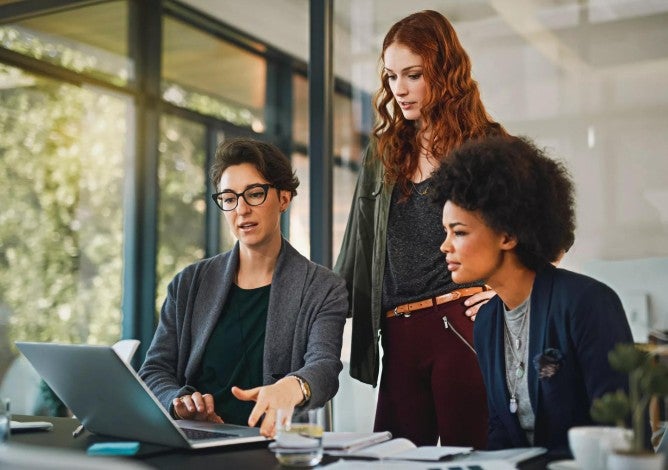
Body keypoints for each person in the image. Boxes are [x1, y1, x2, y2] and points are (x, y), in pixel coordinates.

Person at [335, 10, 506, 447]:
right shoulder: (383, 154)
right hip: (395, 334)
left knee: (468, 458)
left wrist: (504, 289)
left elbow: (551, 231)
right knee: (390, 458)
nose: (400, 90)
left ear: (444, 71)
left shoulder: (485, 144)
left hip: (460, 326)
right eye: (392, 77)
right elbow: (354, 254)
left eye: (413, 75)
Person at [432, 135, 633, 454]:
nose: (445, 246)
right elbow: (500, 429)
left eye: (459, 232)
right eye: (446, 232)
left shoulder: (588, 303)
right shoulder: (487, 322)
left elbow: (621, 431)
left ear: (508, 235)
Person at [139, 138, 348, 437]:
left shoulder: (322, 287)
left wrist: (293, 386)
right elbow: (155, 370)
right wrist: (178, 402)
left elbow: (325, 366)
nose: (242, 210)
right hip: (195, 445)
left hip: (273, 447)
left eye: (255, 194)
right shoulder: (189, 283)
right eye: (229, 198)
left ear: (284, 198)